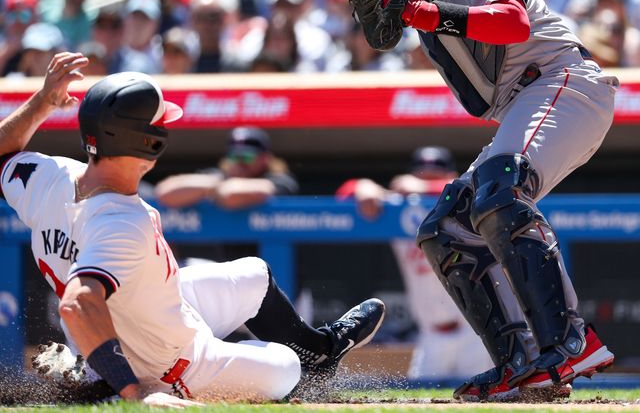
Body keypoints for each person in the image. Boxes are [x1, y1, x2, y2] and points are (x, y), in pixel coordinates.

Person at [310, 0, 617, 401]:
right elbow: (407, 6)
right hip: (532, 98)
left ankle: (569, 343)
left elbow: (512, 21)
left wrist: (419, 12)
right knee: (445, 229)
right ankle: (521, 364)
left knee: (501, 191)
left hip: (563, 82)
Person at [0, 58, 385, 404]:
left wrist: (42, 102)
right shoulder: (121, 219)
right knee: (284, 367)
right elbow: (80, 304)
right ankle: (113, 386)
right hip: (170, 364)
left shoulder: (48, 175)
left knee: (254, 274)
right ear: (149, 142)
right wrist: (135, 394)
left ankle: (319, 352)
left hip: (144, 317)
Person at [336, 146, 493, 380]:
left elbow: (473, 187)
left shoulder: (466, 204)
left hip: (476, 334)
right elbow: (345, 193)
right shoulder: (401, 208)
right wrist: (366, 187)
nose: (427, 182)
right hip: (430, 336)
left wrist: (425, 186)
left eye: (436, 175)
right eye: (422, 175)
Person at [155, 127, 298, 210]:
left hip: (271, 256)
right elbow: (165, 193)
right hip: (225, 259)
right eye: (235, 156)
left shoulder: (280, 179)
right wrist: (216, 184)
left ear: (265, 158)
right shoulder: (219, 176)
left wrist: (211, 188)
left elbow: (230, 196)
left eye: (247, 156)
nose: (240, 162)